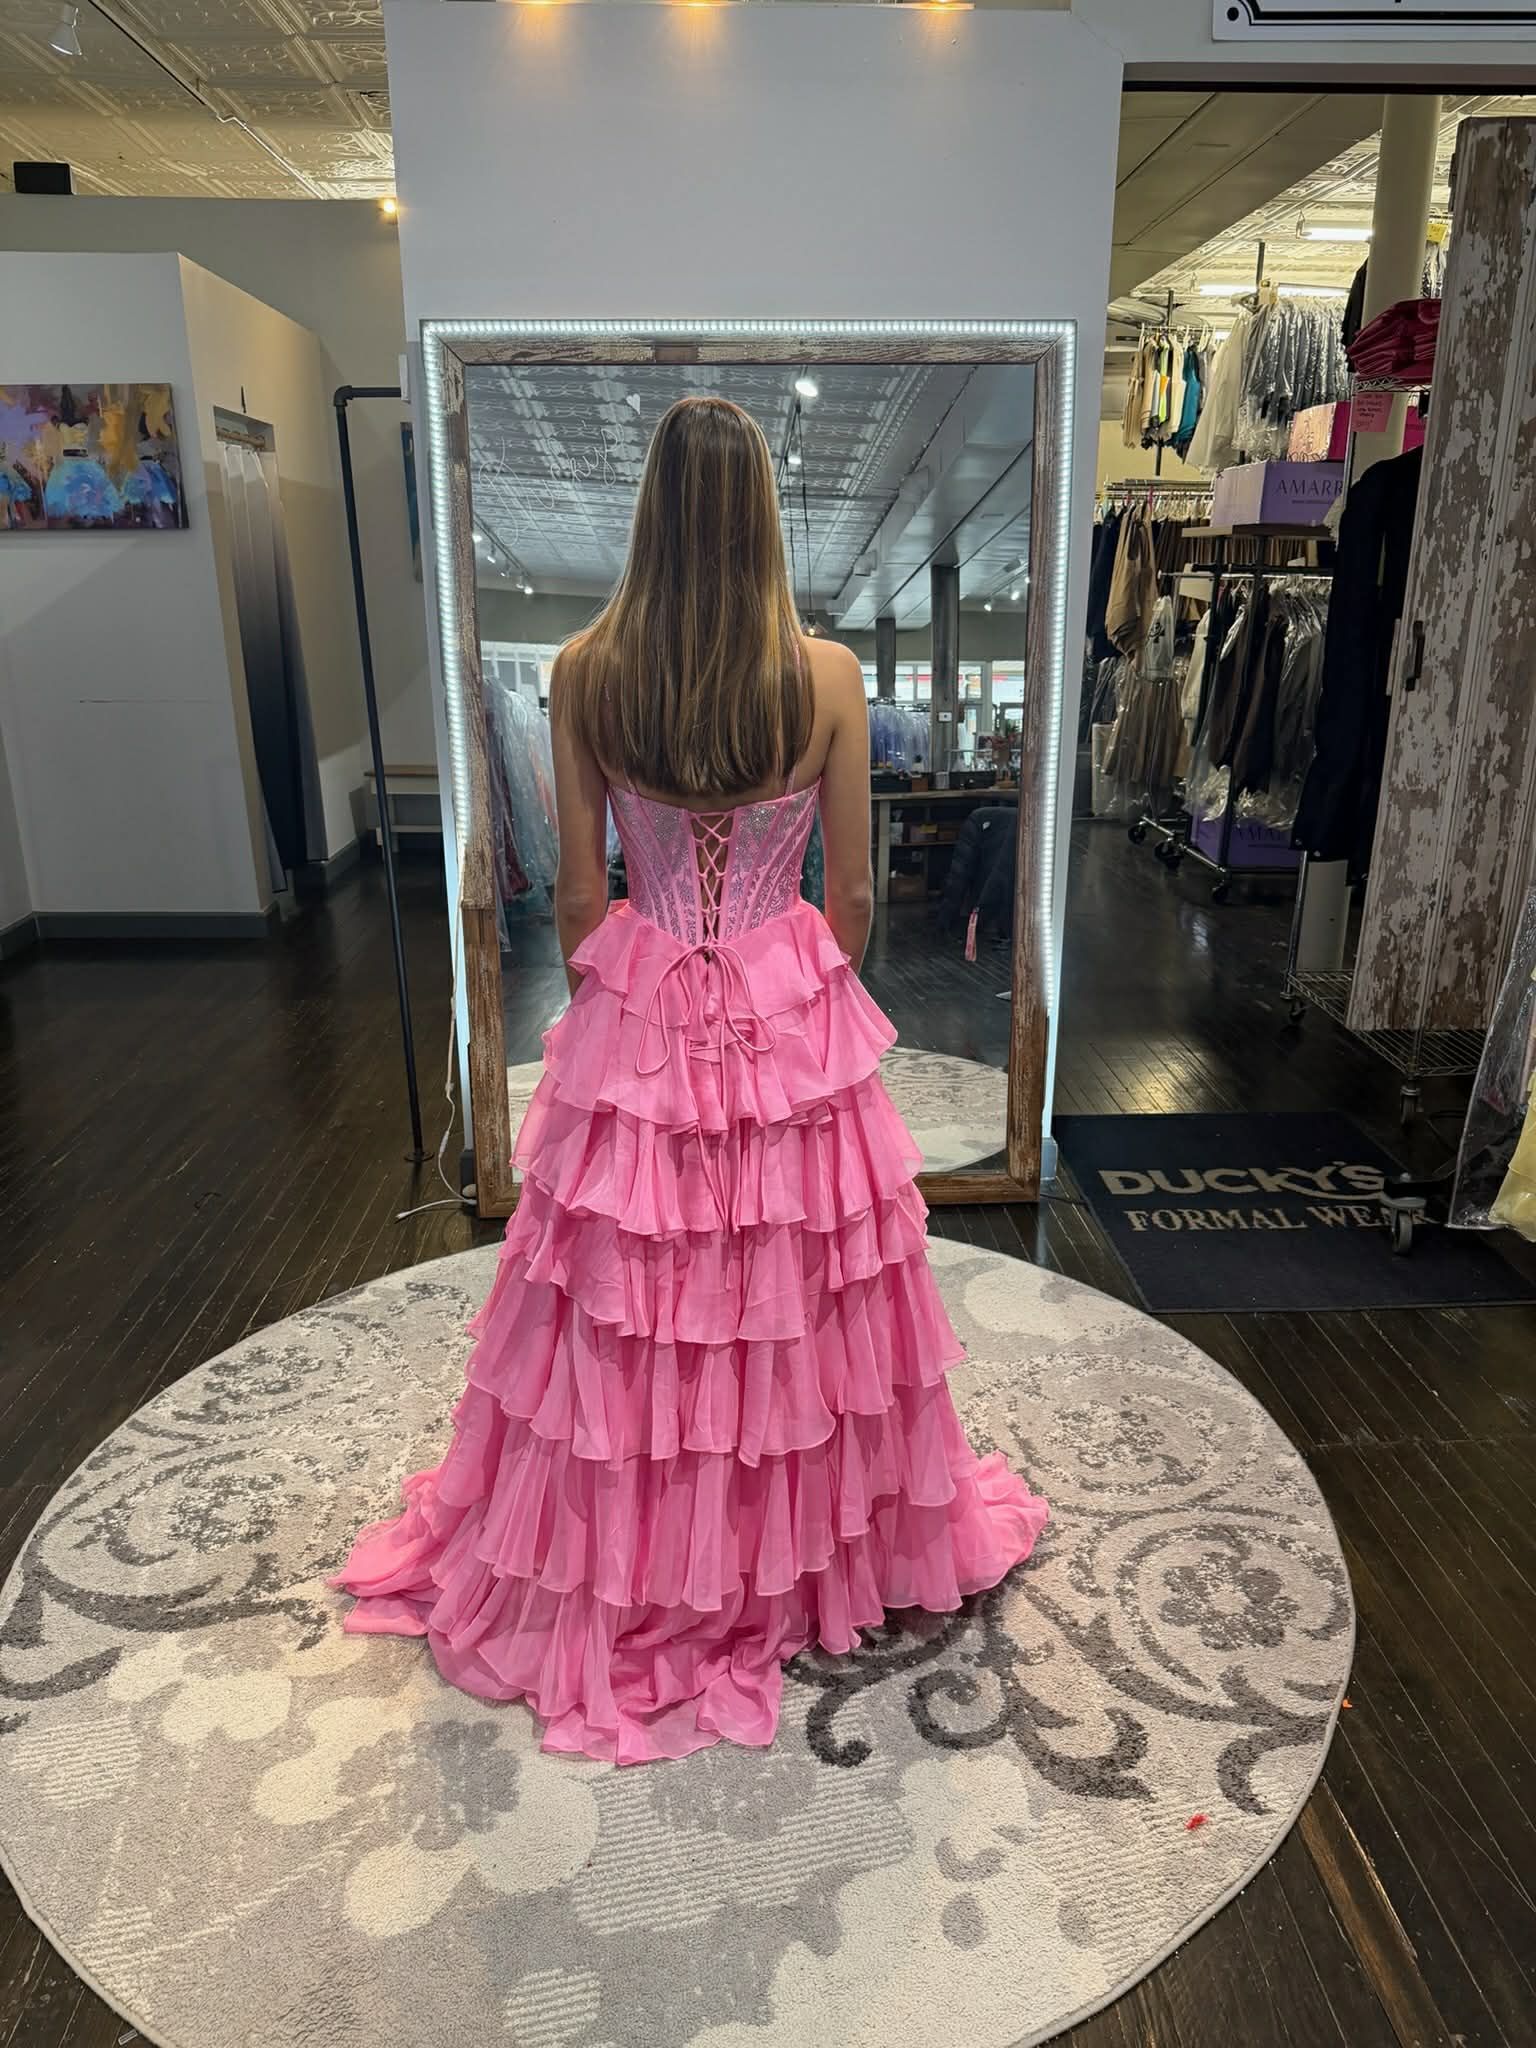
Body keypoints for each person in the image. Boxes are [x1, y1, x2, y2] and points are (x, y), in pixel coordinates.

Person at [328, 395, 1048, 1764]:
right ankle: (790, 1549)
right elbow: (846, 901)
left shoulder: (587, 673)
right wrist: (770, 1006)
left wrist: (669, 995)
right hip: (786, 1014)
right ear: (765, 513)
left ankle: (648, 1549)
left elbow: (586, 907)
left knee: (632, 1306)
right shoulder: (827, 678)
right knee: (796, 1301)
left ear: (651, 514)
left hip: (644, 1006)